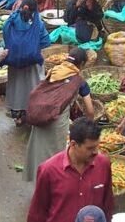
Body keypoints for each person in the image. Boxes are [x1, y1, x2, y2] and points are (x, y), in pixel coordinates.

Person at [24, 48, 94, 182]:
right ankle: (52, 187)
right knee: (54, 155)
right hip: (56, 121)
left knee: (39, 151)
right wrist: (89, 126)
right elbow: (90, 110)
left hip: (40, 116)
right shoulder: (79, 81)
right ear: (82, 64)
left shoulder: (54, 71)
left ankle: (39, 183)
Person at [27, 118, 114, 222]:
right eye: (90, 148)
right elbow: (38, 212)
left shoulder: (103, 164)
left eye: (97, 147)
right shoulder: (48, 170)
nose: (96, 152)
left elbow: (108, 204)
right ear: (73, 144)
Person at [3, 0, 51, 126]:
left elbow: (5, 38)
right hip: (32, 64)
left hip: (14, 64)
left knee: (16, 89)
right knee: (31, 88)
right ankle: (30, 114)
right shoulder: (37, 23)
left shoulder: (11, 20)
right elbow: (46, 41)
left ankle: (17, 117)